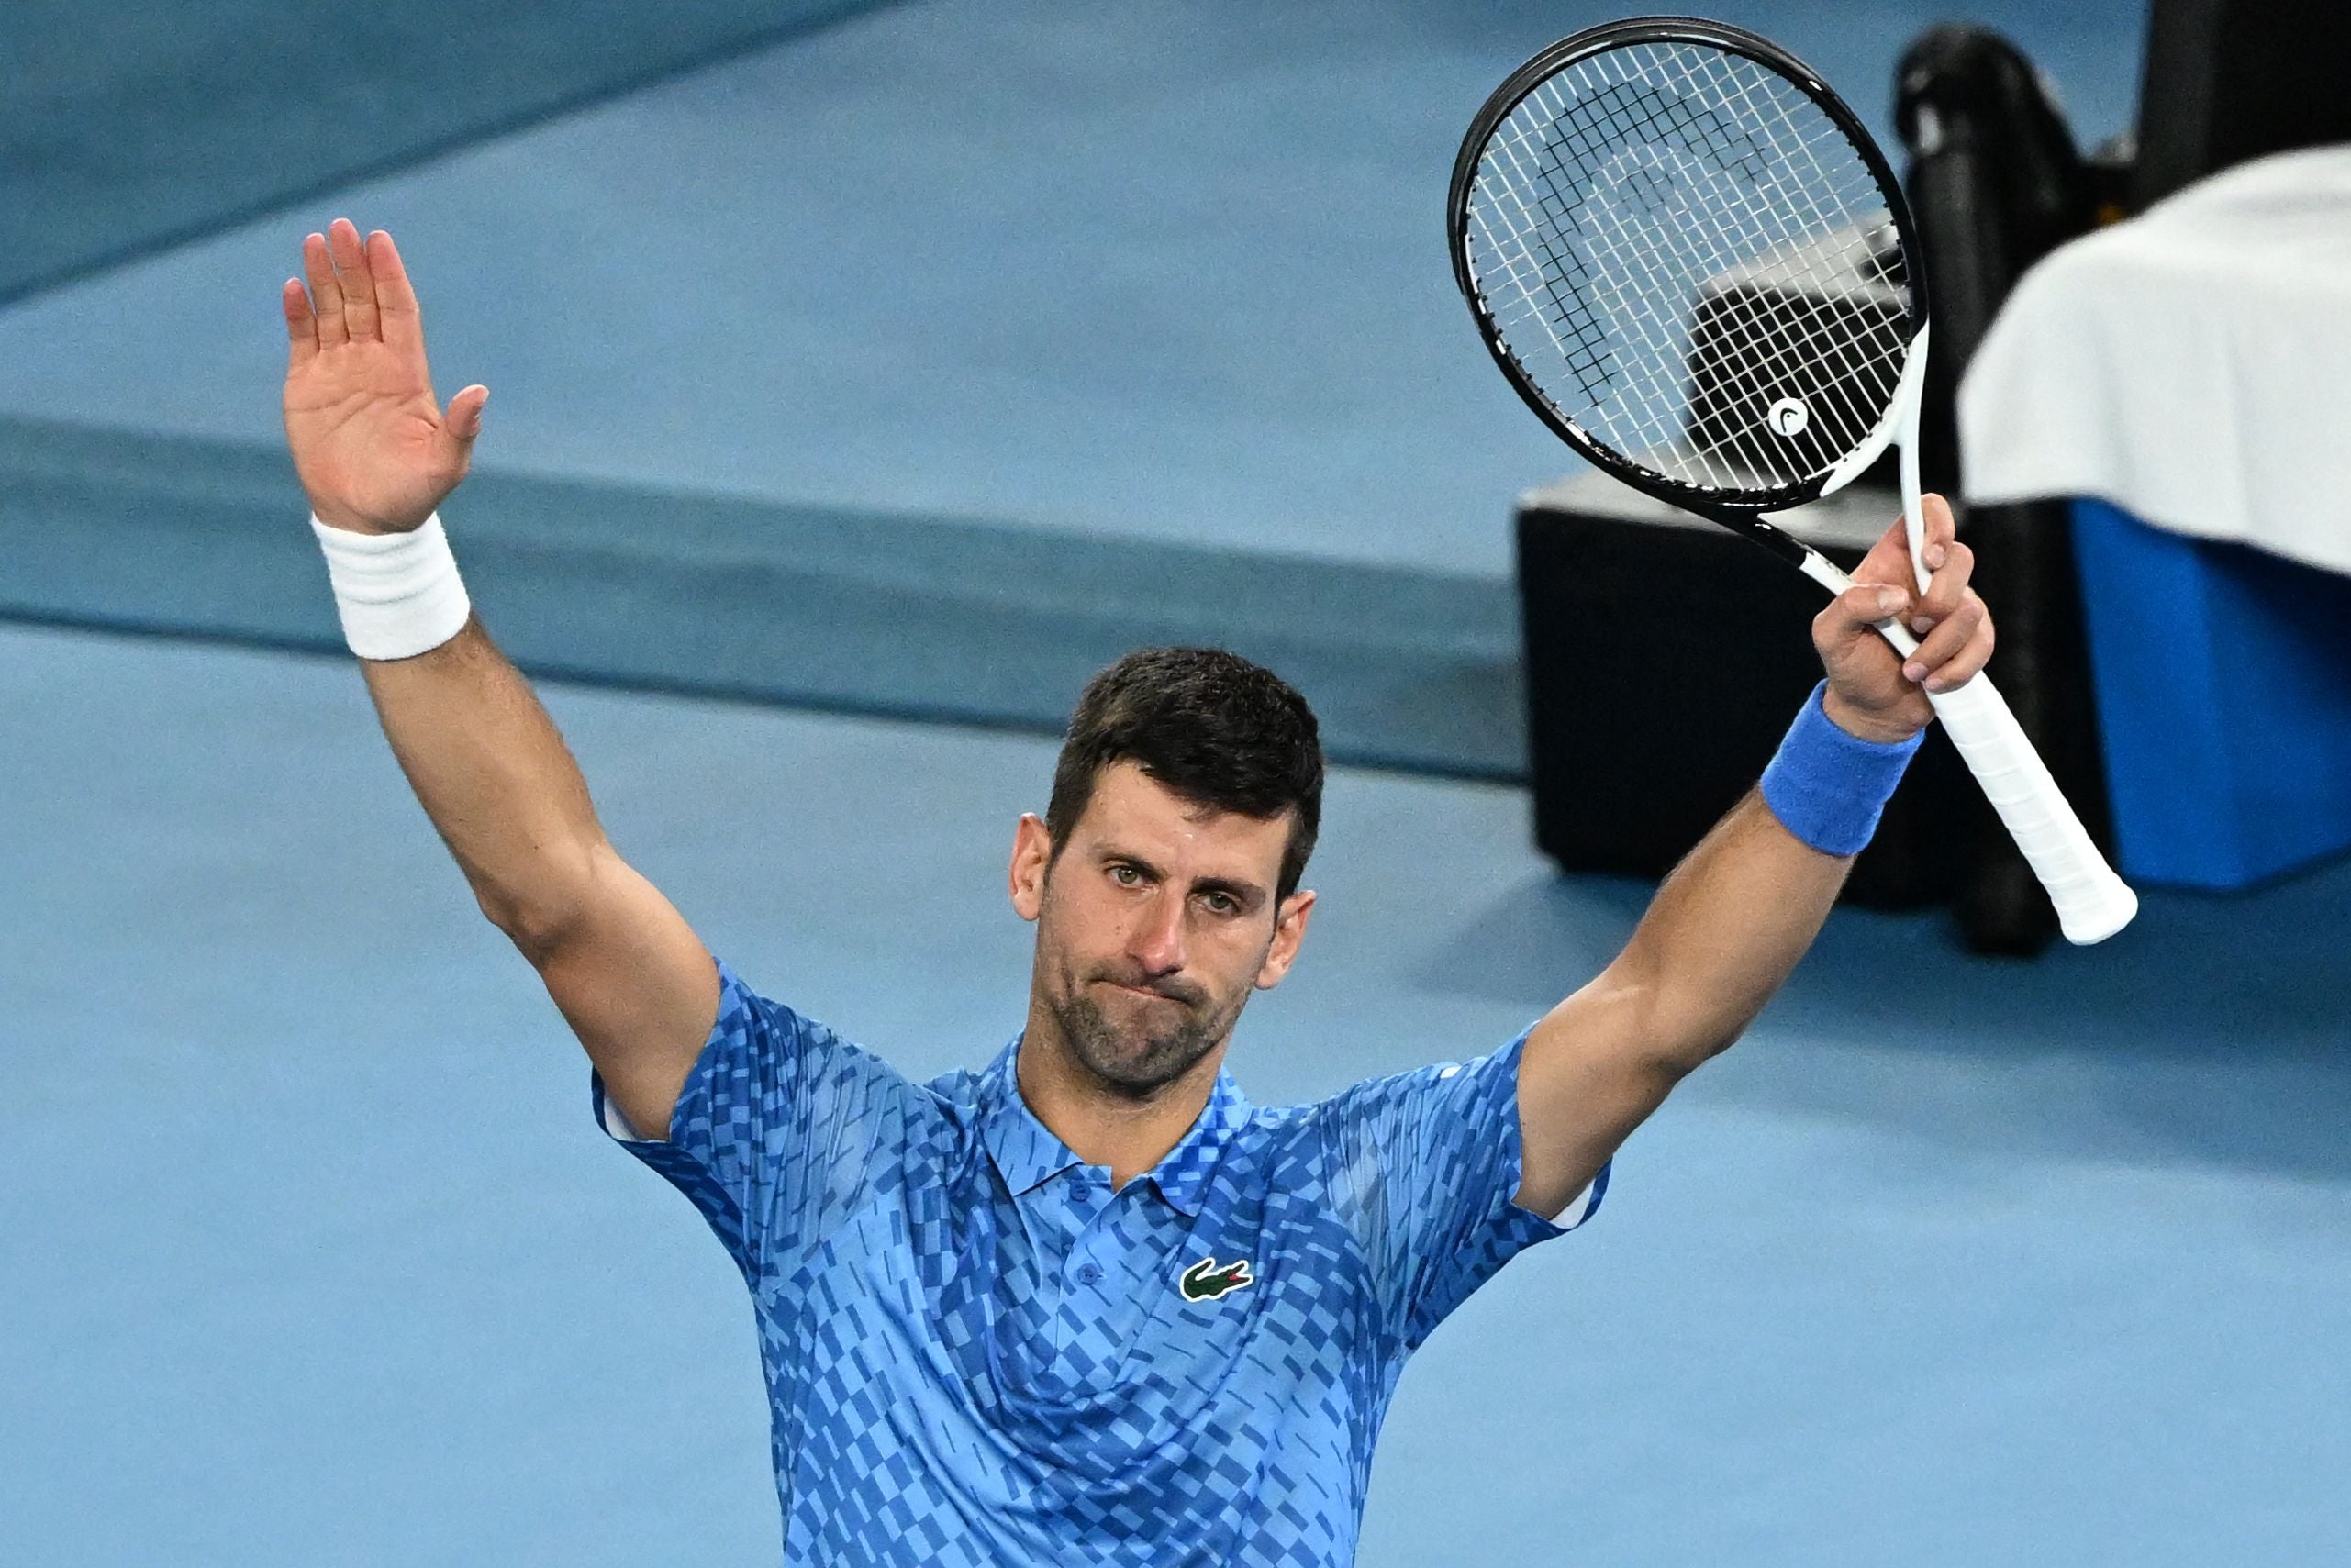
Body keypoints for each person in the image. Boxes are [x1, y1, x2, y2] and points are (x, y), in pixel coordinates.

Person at [281, 218, 1996, 1566]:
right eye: (1123, 872)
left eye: (1222, 900)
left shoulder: (1353, 1210)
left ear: (1285, 937)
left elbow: (1655, 1013)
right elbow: (559, 897)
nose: (1161, 944)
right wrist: (386, 550)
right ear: (1034, 865)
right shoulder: (827, 1161)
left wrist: (1853, 726)